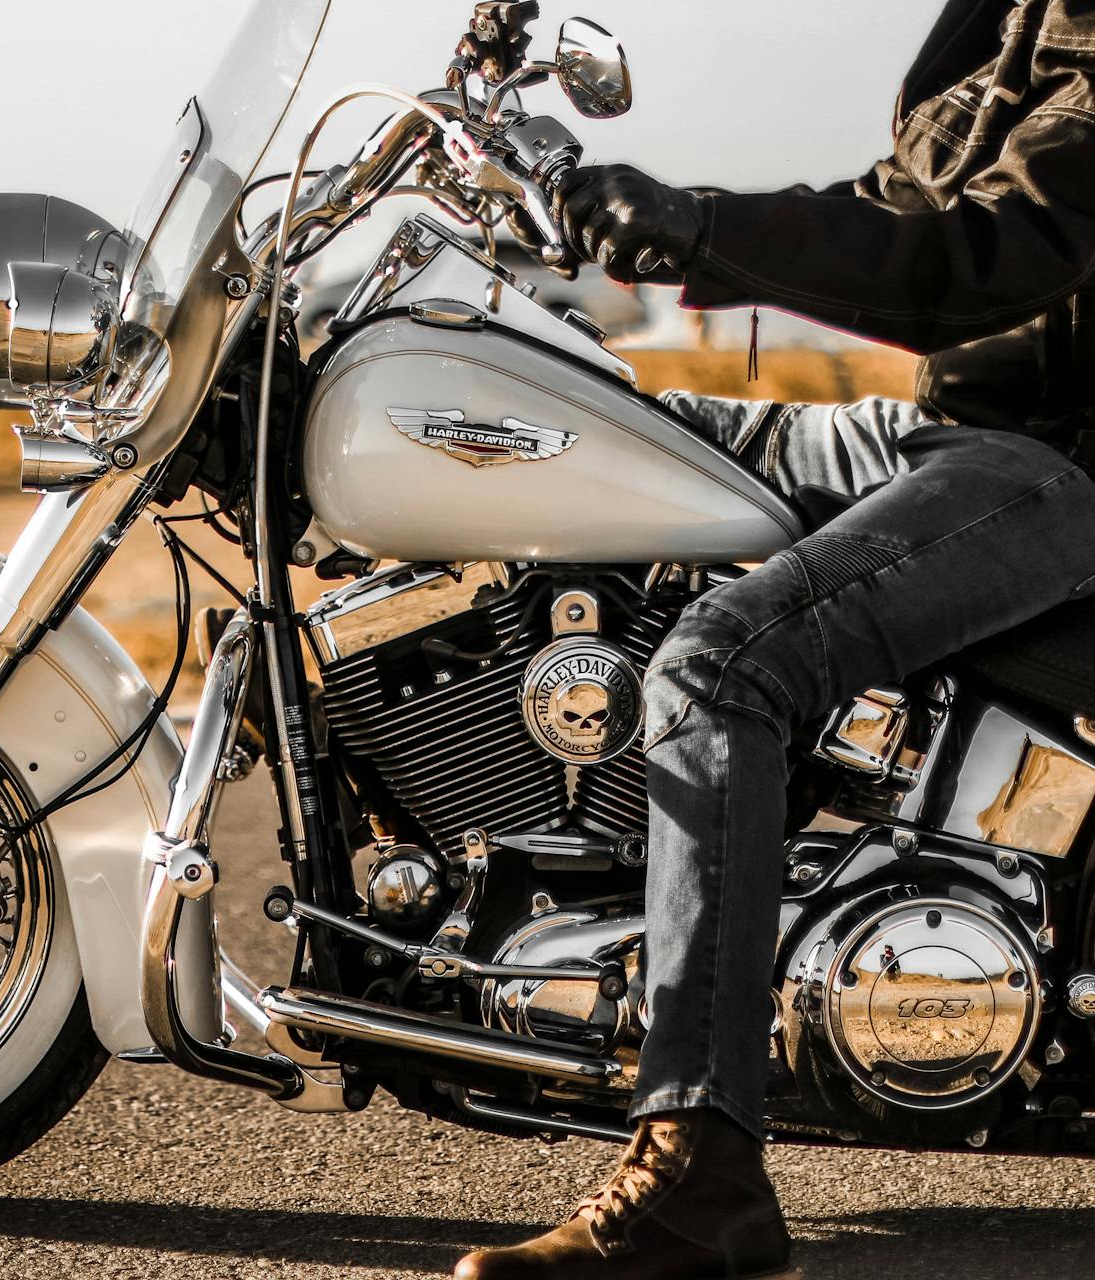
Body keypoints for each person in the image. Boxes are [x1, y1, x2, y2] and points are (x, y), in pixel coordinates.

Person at [456, 2, 1095, 1277]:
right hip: (953, 431)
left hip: (1058, 469)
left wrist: (704, 228)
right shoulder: (1005, 14)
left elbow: (995, 254)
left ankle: (701, 1168)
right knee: (597, 427)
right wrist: (635, 226)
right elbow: (900, 202)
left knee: (722, 664)